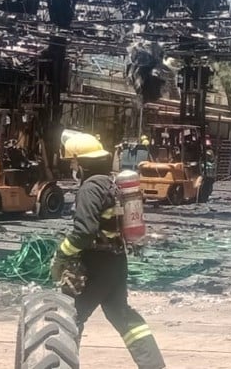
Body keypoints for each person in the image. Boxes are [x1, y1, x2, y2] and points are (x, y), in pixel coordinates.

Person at [51, 134, 166, 369]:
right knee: (121, 314)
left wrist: (62, 252)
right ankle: (153, 365)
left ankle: (63, 364)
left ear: (81, 162)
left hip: (96, 264)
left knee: (71, 316)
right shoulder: (111, 183)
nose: (72, 167)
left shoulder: (90, 188)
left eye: (73, 162)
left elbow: (84, 232)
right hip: (116, 262)